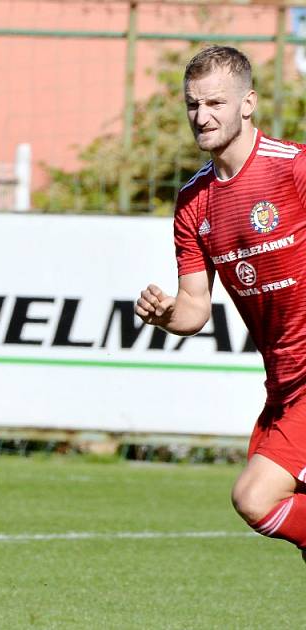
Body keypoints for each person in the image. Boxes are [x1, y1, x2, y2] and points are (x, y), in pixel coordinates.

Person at [136, 45, 306, 563]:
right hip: (284, 384)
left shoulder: (293, 168)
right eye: (193, 105)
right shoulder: (194, 202)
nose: (202, 116)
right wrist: (166, 315)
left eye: (215, 103)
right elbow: (193, 309)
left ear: (247, 103)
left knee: (255, 497)